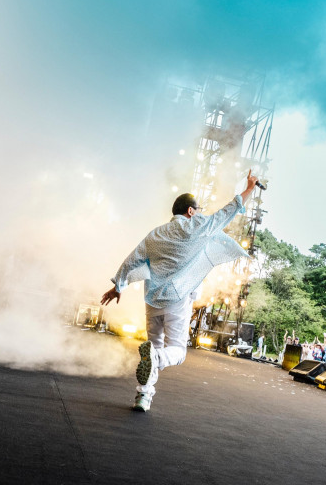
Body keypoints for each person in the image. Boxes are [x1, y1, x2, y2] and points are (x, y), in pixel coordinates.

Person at [101, 170, 258, 412]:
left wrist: (118, 285)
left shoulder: (155, 234)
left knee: (152, 346)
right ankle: (157, 360)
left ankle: (143, 396)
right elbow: (228, 211)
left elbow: (132, 260)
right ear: (191, 211)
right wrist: (249, 187)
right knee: (175, 351)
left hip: (152, 301)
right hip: (176, 300)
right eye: (198, 209)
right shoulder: (196, 227)